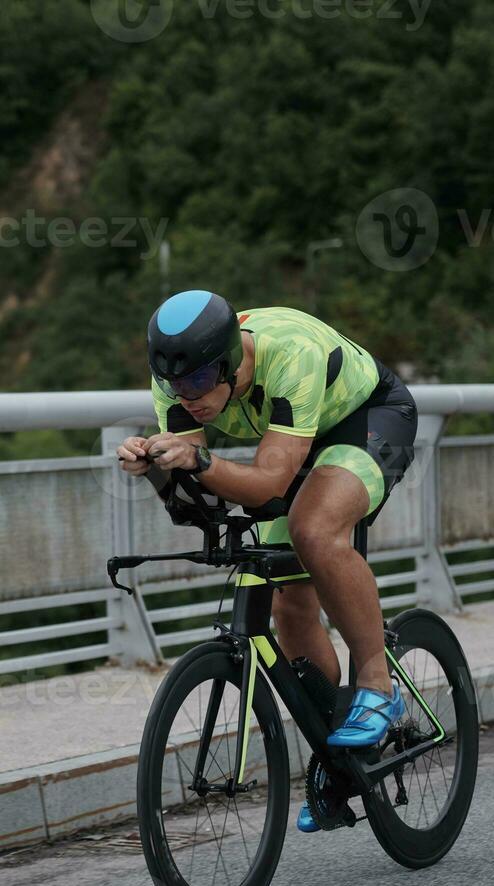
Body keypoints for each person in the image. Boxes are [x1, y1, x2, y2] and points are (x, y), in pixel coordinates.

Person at [115, 290, 418, 833]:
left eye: (201, 382)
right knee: (291, 606)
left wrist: (200, 456)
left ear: (230, 363)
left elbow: (268, 485)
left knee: (313, 529)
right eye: (176, 387)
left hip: (366, 420)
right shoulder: (176, 389)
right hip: (290, 443)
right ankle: (337, 757)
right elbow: (200, 501)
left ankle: (378, 685)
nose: (189, 398)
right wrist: (159, 468)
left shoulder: (290, 354)